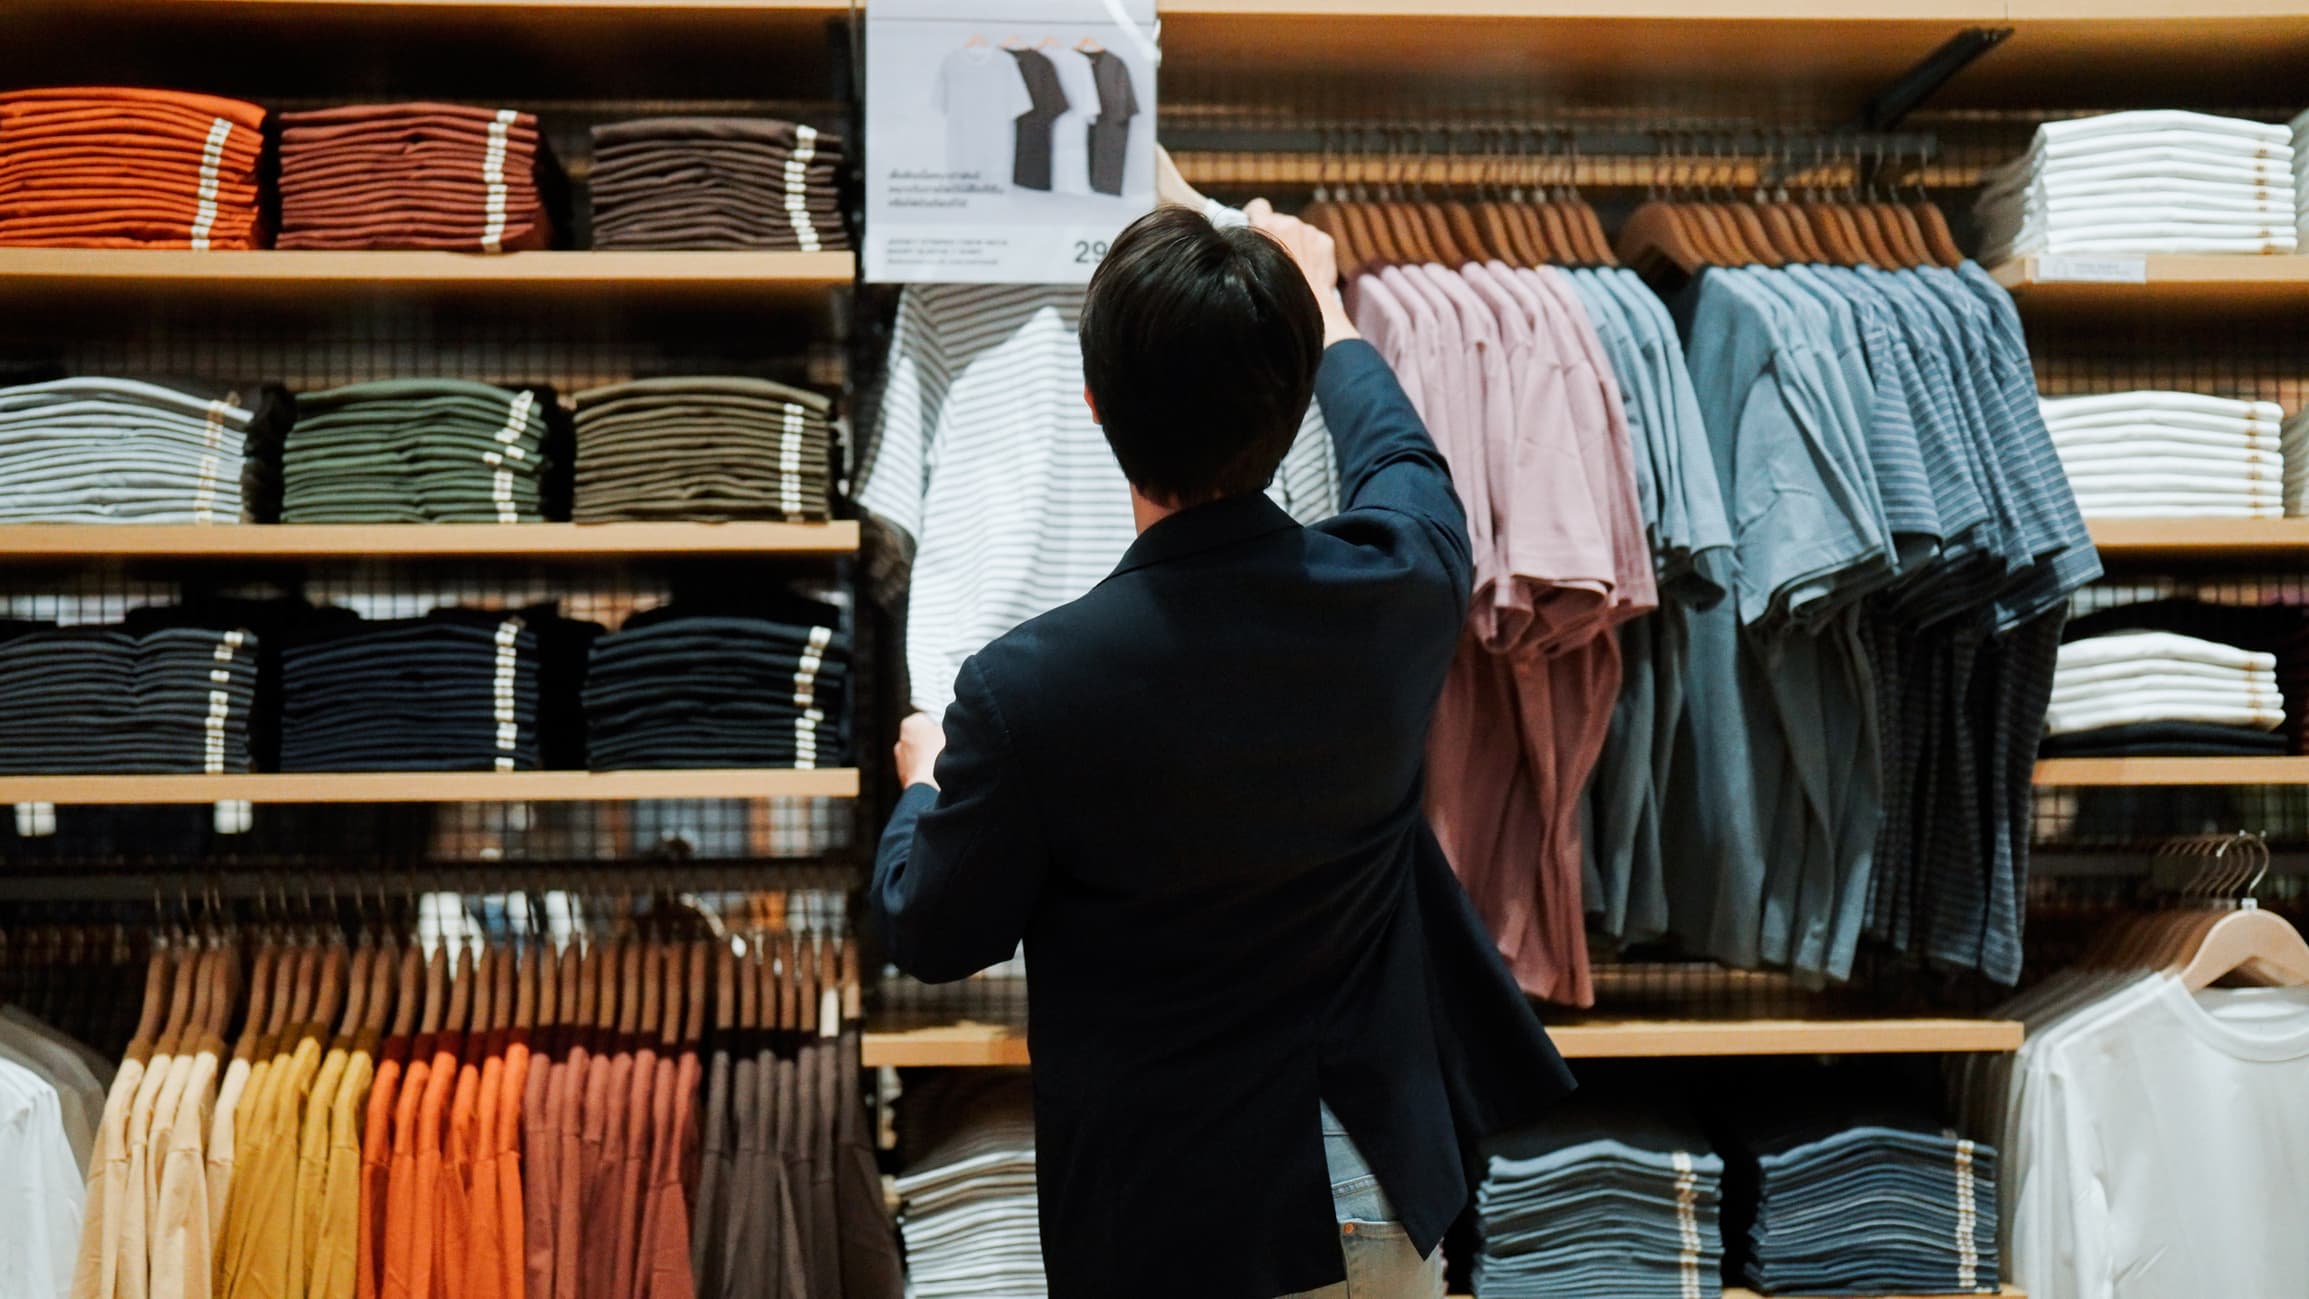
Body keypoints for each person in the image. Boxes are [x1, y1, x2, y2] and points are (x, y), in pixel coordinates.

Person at [870, 202, 1572, 1299]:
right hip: (1372, 1177)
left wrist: (921, 785)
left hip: (1169, 1215)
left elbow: (932, 926)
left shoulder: (1026, 687)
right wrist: (1329, 316)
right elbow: (1403, 459)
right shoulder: (1397, 589)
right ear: (1290, 414)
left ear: (1096, 408)